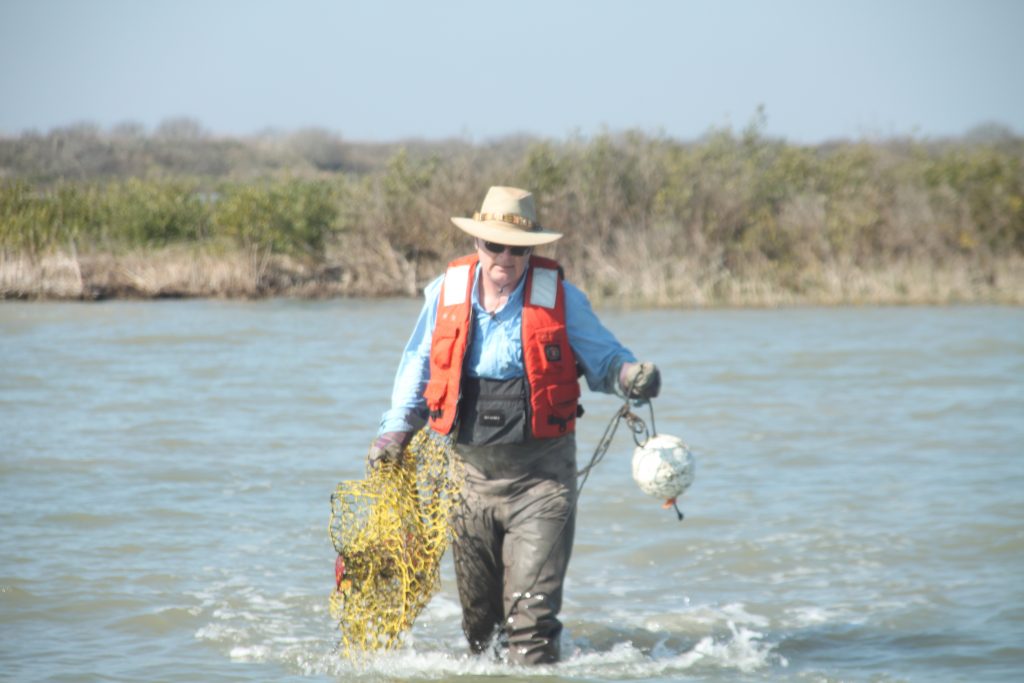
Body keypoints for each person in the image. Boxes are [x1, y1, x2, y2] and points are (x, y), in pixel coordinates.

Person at [368, 186, 661, 665]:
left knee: (531, 627)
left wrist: (634, 377)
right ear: (478, 244)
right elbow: (418, 369)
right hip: (466, 483)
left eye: (519, 248)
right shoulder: (446, 294)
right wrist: (395, 432)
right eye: (495, 245)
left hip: (541, 484)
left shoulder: (562, 299)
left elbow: (609, 362)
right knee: (480, 632)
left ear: (533, 250)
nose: (506, 256)